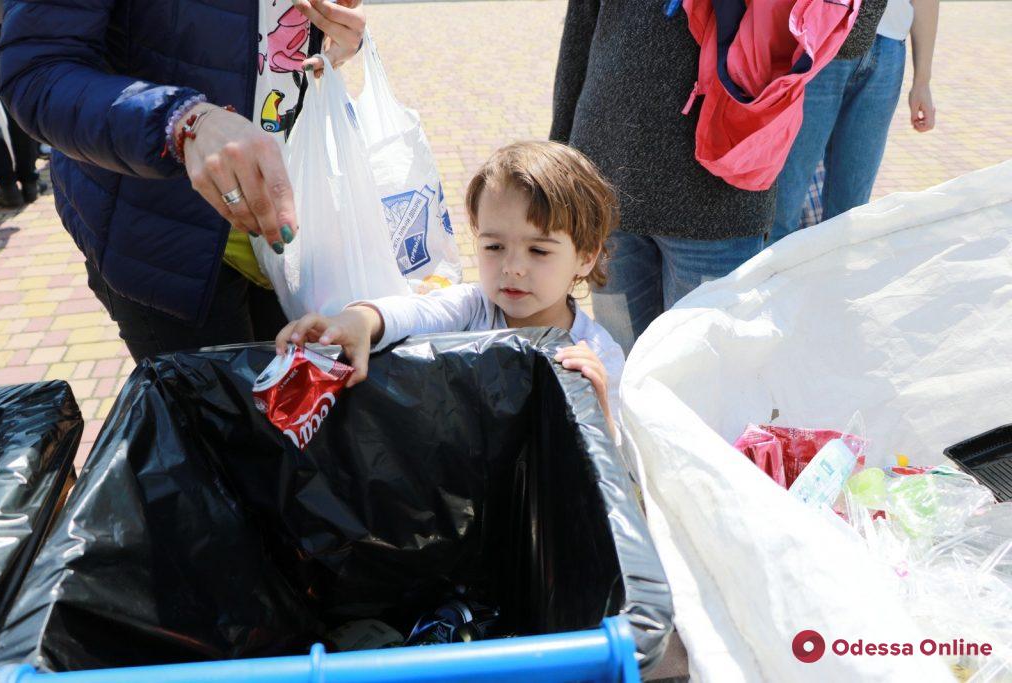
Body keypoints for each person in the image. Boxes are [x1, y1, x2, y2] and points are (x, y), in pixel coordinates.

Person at [0, 0, 366, 362]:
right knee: (215, 417)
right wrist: (181, 122)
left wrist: (339, 29)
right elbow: (39, 71)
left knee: (301, 409)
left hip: (293, 217)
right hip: (167, 238)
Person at [276, 141, 625, 436]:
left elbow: (621, 470)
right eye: (493, 247)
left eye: (538, 250)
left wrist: (603, 413)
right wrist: (360, 320)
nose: (512, 268)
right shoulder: (473, 309)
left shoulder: (598, 355)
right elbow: (419, 311)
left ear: (586, 256)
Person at [550, 1, 778, 355]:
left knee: (703, 377)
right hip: (607, 179)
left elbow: (833, 36)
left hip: (718, 197)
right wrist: (560, 158)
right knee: (621, 364)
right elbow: (580, 31)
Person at [769, 0, 939, 243]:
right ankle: (768, 279)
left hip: (889, 46)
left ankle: (832, 280)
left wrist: (922, 80)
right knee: (784, 201)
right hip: (822, 36)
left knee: (851, 211)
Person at [0, 0, 43, 209]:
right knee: (16, 96)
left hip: (6, 18)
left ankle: (9, 186)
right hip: (8, 16)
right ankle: (29, 181)